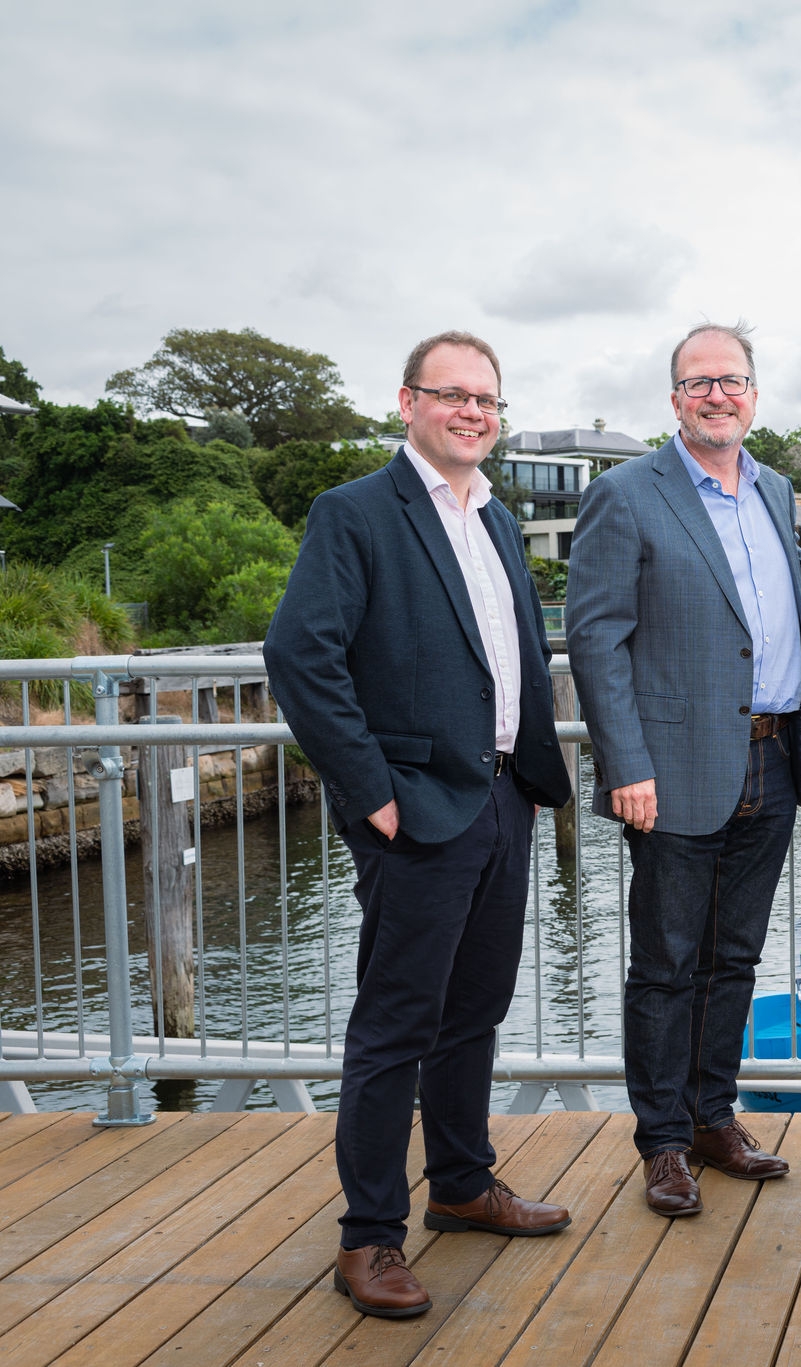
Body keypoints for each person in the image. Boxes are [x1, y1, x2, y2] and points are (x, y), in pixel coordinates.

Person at [266, 331, 574, 1319]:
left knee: (474, 1007)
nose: (473, 412)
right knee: (394, 1023)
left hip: (498, 799)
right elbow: (299, 656)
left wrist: (526, 779)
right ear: (408, 403)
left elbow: (511, 657)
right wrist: (371, 791)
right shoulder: (356, 513)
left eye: (487, 398)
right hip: (414, 809)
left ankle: (462, 1182)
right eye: (453, 396)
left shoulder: (495, 519)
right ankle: (367, 1237)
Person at [567, 322, 801, 1219]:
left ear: (755, 393)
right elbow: (595, 636)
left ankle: (715, 1117)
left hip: (775, 757)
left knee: (735, 957)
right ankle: (663, 1142)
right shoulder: (626, 493)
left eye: (734, 380)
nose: (719, 394)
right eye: (700, 381)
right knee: (667, 961)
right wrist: (624, 762)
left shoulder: (777, 488)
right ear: (674, 396)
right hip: (670, 770)